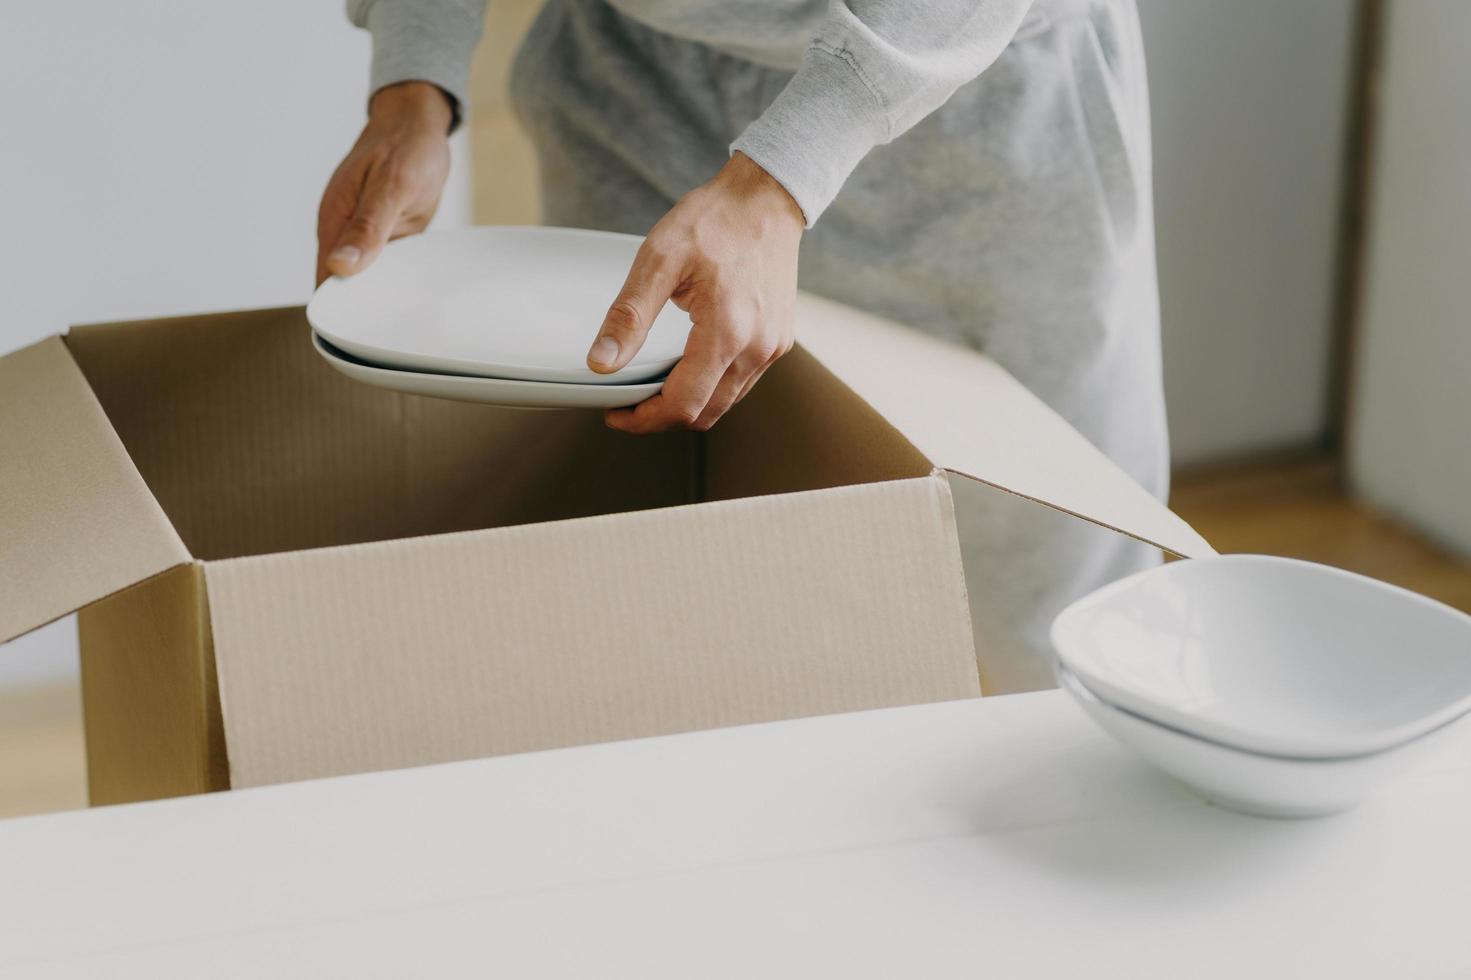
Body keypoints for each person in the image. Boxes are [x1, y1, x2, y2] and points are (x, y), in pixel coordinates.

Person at [319, 0, 1167, 694]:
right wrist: (411, 81)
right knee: (662, 568)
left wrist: (781, 178)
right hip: (635, 76)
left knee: (1041, 599)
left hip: (959, 101)